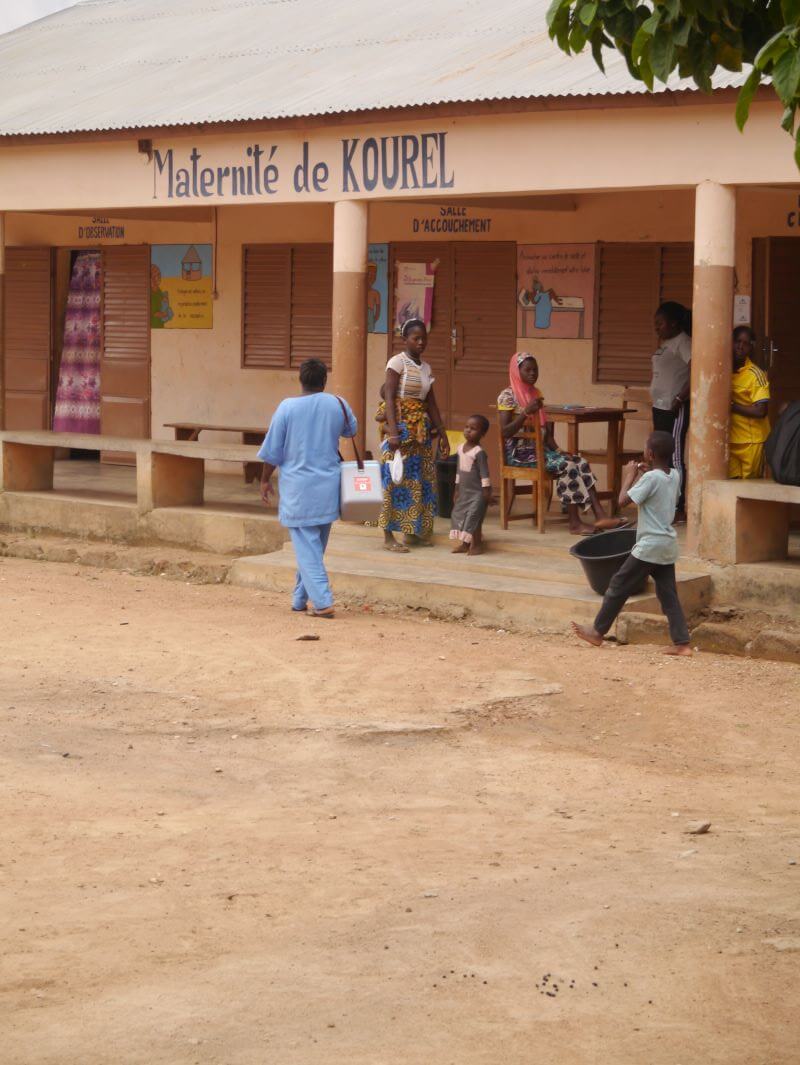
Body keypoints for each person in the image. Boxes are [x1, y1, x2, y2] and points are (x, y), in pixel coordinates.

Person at [572, 431, 691, 657]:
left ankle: (597, 632)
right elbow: (658, 489)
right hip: (667, 544)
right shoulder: (674, 475)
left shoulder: (649, 478)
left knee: (618, 585)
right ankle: (682, 643)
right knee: (668, 595)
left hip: (650, 545)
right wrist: (644, 475)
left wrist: (629, 475)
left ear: (650, 453)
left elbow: (622, 501)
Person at [258, 358, 357, 618]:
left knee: (307, 550)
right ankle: (300, 598)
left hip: (298, 491)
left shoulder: (286, 408)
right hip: (328, 488)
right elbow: (351, 429)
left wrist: (265, 479)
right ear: (324, 381)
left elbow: (272, 452)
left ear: (300, 379)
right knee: (313, 549)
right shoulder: (337, 403)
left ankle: (323, 602)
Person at [497, 352, 626, 535]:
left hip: (541, 451)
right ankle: (574, 523)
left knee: (578, 461)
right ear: (517, 372)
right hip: (519, 455)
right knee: (569, 466)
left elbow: (545, 432)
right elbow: (505, 431)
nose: (533, 373)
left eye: (535, 370)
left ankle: (600, 515)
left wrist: (558, 450)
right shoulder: (507, 396)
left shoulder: (536, 393)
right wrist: (526, 412)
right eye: (528, 370)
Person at [378, 318, 449, 552]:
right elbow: (389, 397)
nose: (421, 342)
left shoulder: (426, 368)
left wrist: (443, 433)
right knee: (395, 480)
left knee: (418, 481)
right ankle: (389, 537)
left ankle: (411, 532)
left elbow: (431, 403)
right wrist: (394, 432)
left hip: (421, 433)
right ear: (404, 339)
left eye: (423, 338)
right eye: (415, 338)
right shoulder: (396, 363)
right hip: (400, 429)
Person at [651, 301, 692, 521]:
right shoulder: (666, 344)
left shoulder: (683, 343)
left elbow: (697, 369)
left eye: (660, 323)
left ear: (674, 323)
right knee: (659, 455)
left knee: (674, 456)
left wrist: (680, 397)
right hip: (659, 406)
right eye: (655, 324)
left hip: (675, 407)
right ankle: (661, 503)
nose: (656, 328)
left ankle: (678, 507)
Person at [730, 325, 770, 479]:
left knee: (749, 487)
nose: (740, 347)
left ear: (751, 347)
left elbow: (761, 411)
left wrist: (733, 407)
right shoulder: (723, 369)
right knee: (730, 485)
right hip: (732, 440)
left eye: (745, 344)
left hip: (751, 442)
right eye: (737, 342)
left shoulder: (755, 374)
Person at [450, 414, 491, 556]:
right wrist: (456, 489)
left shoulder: (479, 452)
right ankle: (464, 544)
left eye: (473, 429)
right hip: (463, 491)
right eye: (466, 427)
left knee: (474, 517)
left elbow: (484, 473)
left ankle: (477, 545)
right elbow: (458, 470)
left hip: (477, 493)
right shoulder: (460, 448)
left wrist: (486, 492)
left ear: (482, 434)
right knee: (461, 516)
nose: (468, 430)